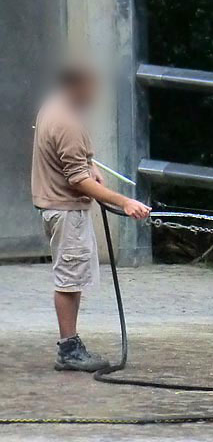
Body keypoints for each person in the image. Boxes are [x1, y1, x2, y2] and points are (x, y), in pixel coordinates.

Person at [31, 63, 152, 372]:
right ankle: (68, 348)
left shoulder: (56, 105)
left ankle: (70, 344)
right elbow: (77, 179)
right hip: (66, 209)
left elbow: (78, 162)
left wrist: (91, 166)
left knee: (71, 277)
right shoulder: (66, 121)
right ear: (77, 86)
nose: (94, 94)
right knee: (69, 279)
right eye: (91, 87)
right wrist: (125, 202)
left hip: (60, 206)